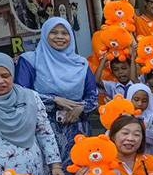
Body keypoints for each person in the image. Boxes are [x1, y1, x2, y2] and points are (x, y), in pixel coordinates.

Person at [14, 17, 98, 163]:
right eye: (54, 32)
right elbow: (20, 94)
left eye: (64, 33)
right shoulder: (29, 60)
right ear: (45, 35)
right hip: (44, 131)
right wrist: (53, 99)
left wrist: (81, 108)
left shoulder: (81, 63)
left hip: (78, 129)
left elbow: (93, 97)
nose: (59, 37)